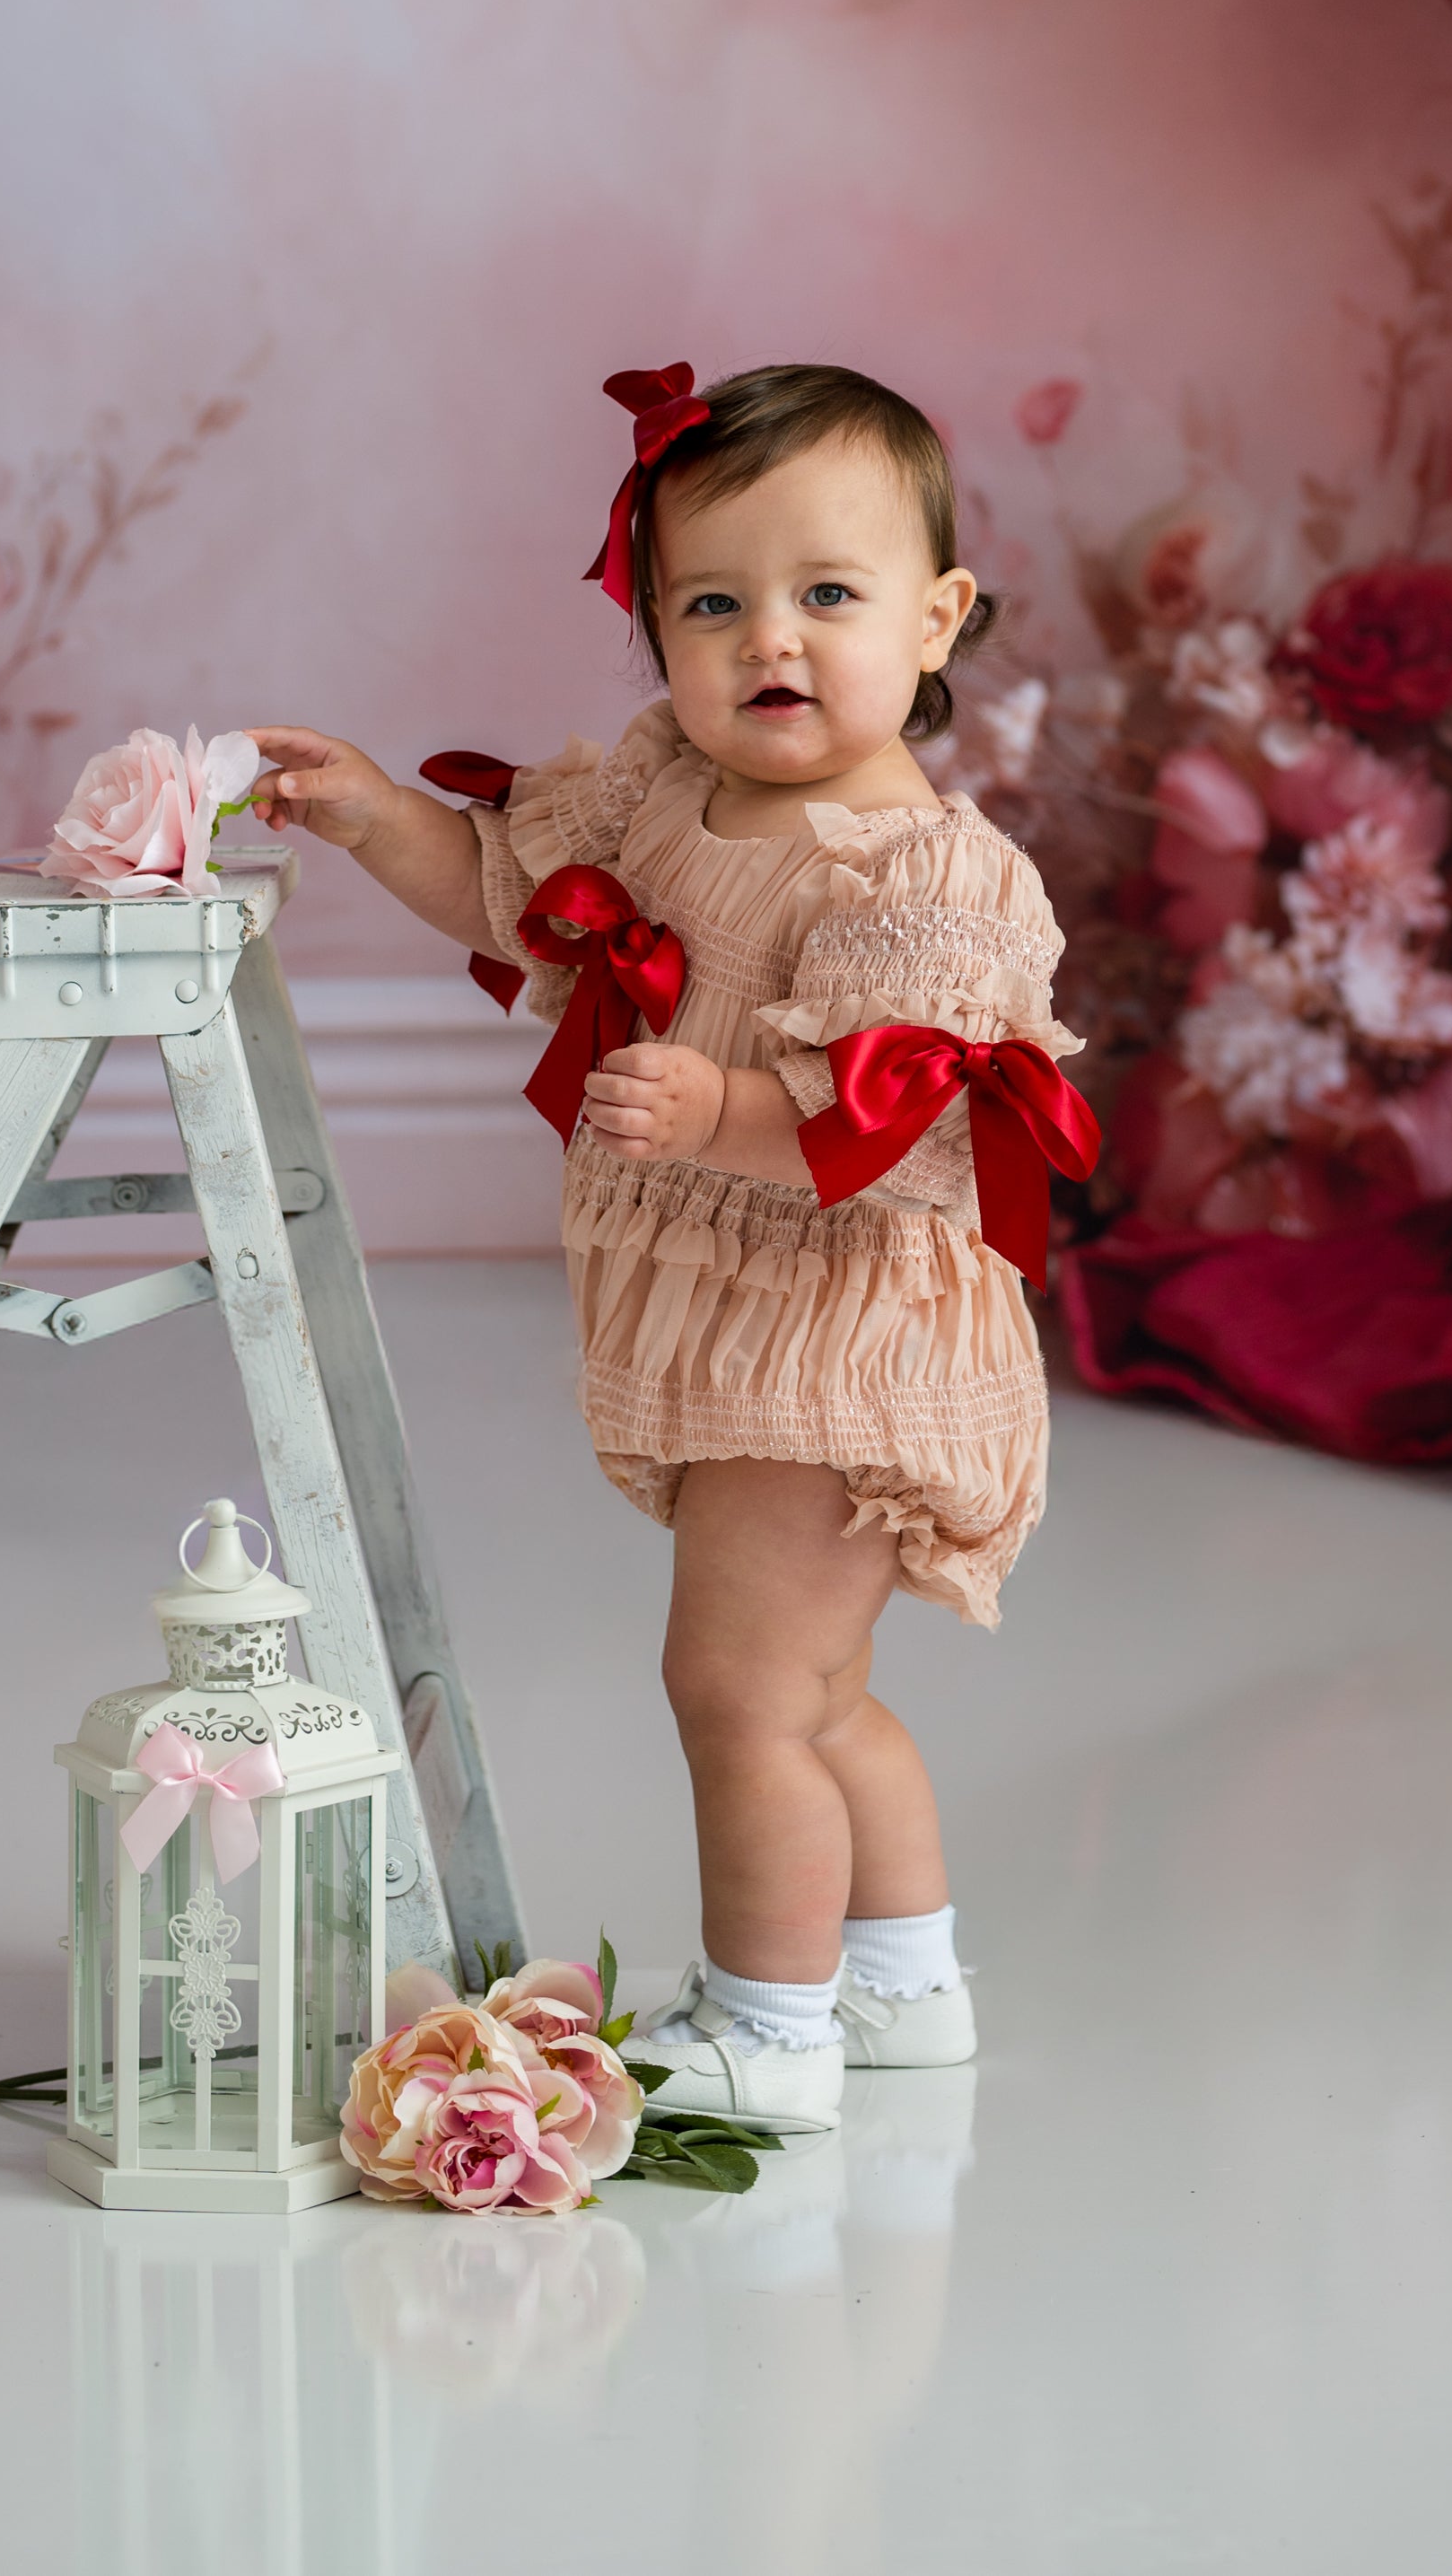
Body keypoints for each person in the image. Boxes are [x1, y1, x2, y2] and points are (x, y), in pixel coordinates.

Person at [248, 360, 1095, 2132]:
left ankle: (770, 2024)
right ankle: (903, 1981)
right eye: (713, 603)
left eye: (827, 596)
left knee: (728, 1682)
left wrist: (719, 1111)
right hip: (736, 1310)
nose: (768, 638)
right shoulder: (660, 795)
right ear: (654, 631)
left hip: (835, 1327)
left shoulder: (922, 881)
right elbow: (509, 893)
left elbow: (906, 1119)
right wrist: (376, 810)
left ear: (936, 621)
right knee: (816, 1684)